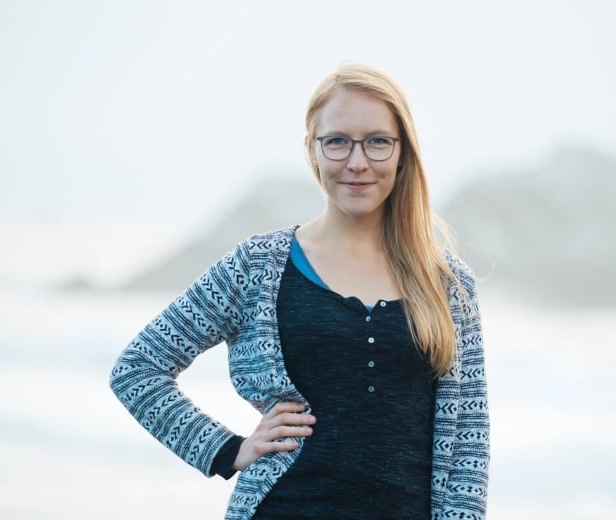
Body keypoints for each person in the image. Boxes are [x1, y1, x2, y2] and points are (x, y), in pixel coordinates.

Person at [110, 62, 490, 519]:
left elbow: (469, 445)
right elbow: (137, 369)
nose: (357, 161)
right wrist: (226, 449)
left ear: (402, 152)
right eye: (337, 142)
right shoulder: (258, 265)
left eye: (377, 141)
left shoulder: (447, 283)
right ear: (312, 150)